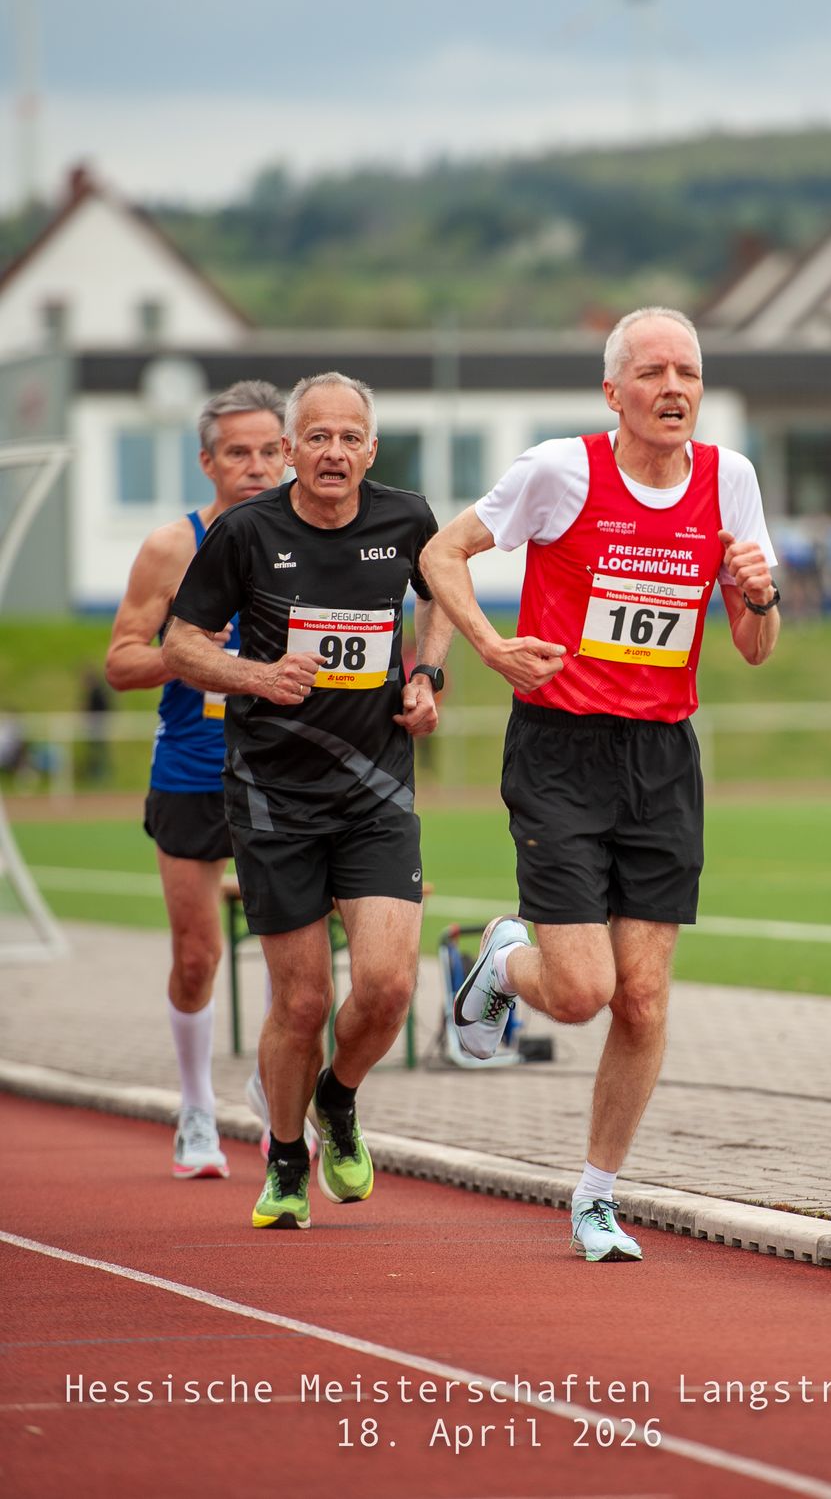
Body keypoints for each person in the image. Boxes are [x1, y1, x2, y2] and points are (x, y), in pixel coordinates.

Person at [419, 307, 780, 1264]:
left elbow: (754, 647)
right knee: (582, 992)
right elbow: (441, 552)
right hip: (561, 751)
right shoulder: (559, 470)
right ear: (613, 392)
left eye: (688, 372)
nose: (674, 388)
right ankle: (504, 959)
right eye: (653, 372)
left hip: (662, 758)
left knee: (644, 1000)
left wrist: (759, 595)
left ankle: (595, 1197)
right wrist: (491, 648)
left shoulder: (731, 480)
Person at [161, 371, 451, 1231]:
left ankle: (339, 1097)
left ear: (372, 448)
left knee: (389, 986)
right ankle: (287, 1158)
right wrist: (257, 675)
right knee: (302, 1002)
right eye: (316, 438)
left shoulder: (407, 519)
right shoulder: (246, 532)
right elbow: (179, 644)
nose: (333, 453)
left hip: (375, 790)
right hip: (273, 796)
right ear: (290, 450)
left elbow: (441, 592)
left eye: (349, 438)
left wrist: (428, 676)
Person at [105, 380, 288, 1180]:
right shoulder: (171, 547)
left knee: (296, 957)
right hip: (193, 769)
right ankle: (195, 1110)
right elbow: (120, 662)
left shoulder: (312, 539)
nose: (257, 467)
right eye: (239, 453)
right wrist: (187, 653)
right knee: (196, 955)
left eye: (270, 451)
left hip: (287, 770)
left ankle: (278, 1097)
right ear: (208, 462)